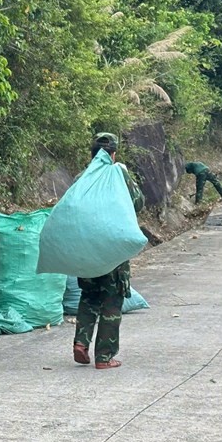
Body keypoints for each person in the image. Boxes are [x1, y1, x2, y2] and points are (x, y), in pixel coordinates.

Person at [72, 132, 145, 371]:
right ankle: (104, 356)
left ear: (92, 154)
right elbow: (138, 203)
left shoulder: (81, 177)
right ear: (113, 154)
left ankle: (81, 343)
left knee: (89, 296)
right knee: (112, 301)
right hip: (113, 250)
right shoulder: (118, 174)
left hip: (86, 249)